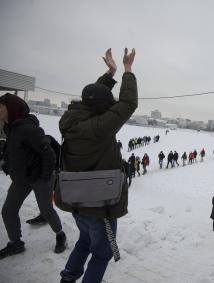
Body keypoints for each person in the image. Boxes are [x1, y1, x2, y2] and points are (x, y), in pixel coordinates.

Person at [56, 48, 137, 283]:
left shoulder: (72, 119)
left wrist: (110, 74)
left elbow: (91, 97)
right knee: (103, 253)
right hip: (101, 208)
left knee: (84, 241)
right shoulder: (100, 128)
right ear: (102, 107)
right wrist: (127, 70)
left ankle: (68, 278)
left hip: (78, 203)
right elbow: (128, 103)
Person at [0, 93, 67, 260]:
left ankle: (60, 235)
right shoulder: (10, 128)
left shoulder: (28, 129)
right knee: (8, 211)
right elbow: (14, 151)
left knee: (47, 210)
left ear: (11, 108)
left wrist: (44, 177)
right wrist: (9, 165)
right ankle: (16, 243)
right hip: (22, 179)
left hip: (40, 178)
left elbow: (49, 154)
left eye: (1, 106)